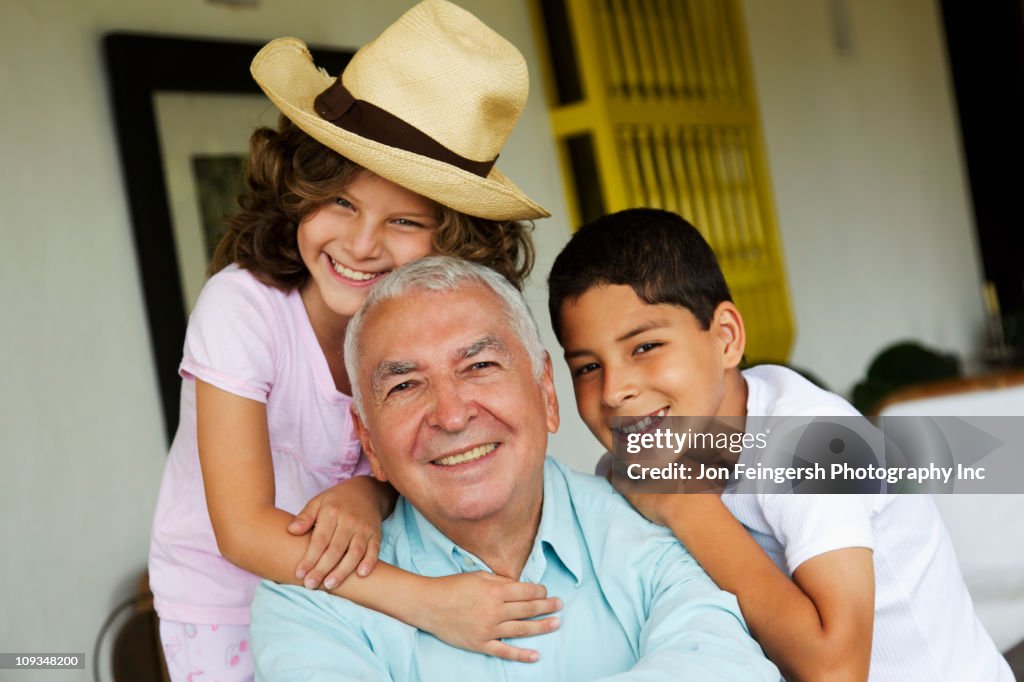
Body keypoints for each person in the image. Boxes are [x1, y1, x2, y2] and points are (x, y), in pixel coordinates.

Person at [148, 2, 562, 680]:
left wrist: (370, 494)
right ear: (300, 187)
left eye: (403, 220)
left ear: (453, 237)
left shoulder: (425, 335)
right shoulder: (241, 308)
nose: (362, 245)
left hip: (360, 594)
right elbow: (245, 530)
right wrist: (429, 603)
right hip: (229, 610)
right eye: (341, 201)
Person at [248, 256, 782, 681]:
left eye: (479, 366)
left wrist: (684, 506)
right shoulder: (312, 595)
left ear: (546, 392)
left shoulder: (815, 446)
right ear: (368, 439)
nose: (452, 415)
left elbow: (820, 665)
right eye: (404, 385)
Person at [547, 207, 1014, 682]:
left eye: (644, 347)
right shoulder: (634, 469)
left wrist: (685, 507)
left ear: (726, 338)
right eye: (587, 367)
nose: (612, 391)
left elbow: (837, 669)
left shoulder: (814, 437)